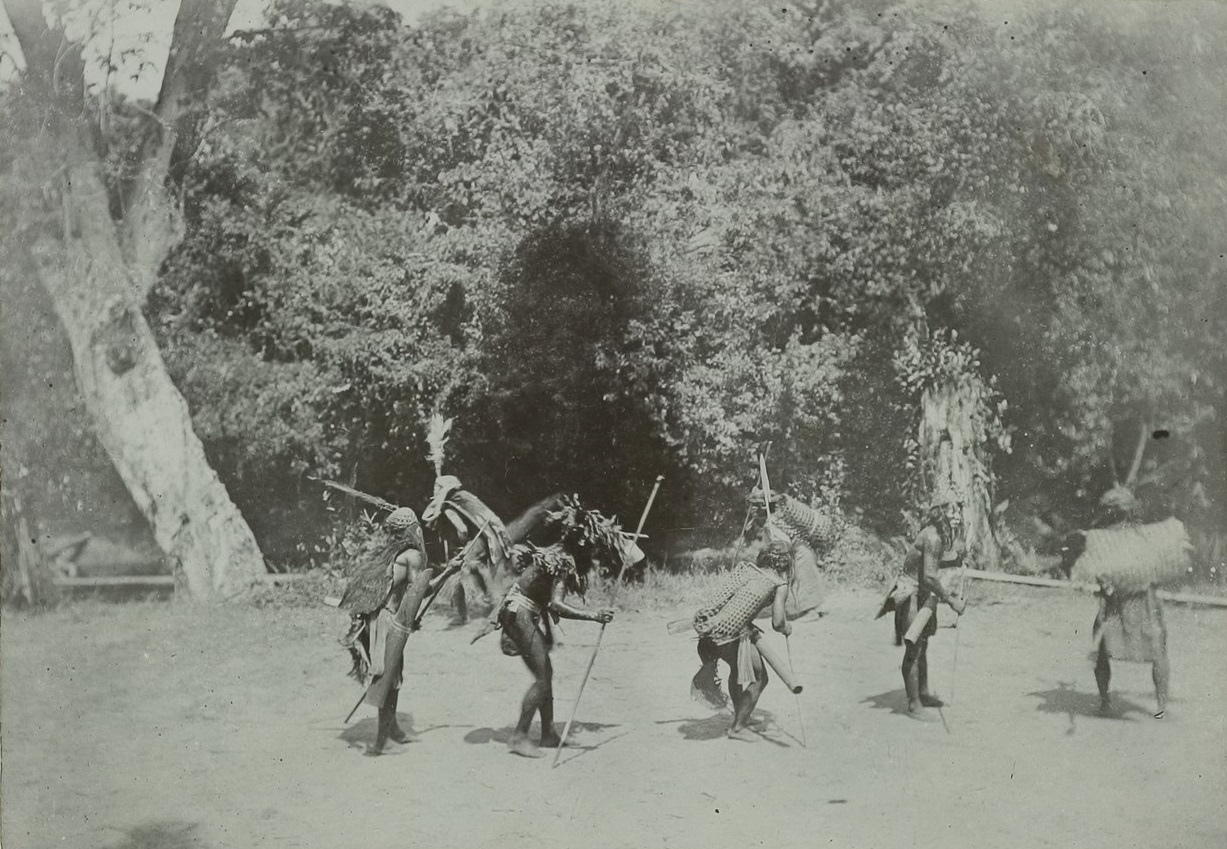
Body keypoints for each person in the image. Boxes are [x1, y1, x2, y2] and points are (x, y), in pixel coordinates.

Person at [488, 543, 614, 758]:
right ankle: (519, 736)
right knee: (542, 678)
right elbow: (556, 604)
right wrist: (594, 616)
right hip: (520, 614)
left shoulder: (554, 554)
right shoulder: (563, 563)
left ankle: (548, 734)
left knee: (545, 674)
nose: (595, 557)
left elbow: (542, 598)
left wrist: (547, 634)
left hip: (520, 611)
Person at [338, 507, 445, 756]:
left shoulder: (393, 552)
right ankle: (380, 742)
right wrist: (448, 573)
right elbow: (422, 589)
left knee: (395, 674)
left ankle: (393, 729)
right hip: (388, 621)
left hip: (382, 617)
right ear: (413, 530)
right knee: (389, 678)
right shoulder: (412, 555)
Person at [1066, 487, 1170, 719]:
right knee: (1155, 650)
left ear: (1113, 513)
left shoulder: (1110, 539)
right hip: (1137, 602)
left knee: (1110, 649)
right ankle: (1159, 706)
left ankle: (1107, 702)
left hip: (1133, 602)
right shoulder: (1137, 536)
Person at [690, 541, 794, 741]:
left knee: (738, 674)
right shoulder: (779, 584)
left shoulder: (747, 569)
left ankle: (741, 714)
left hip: (709, 632)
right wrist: (787, 628)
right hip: (729, 636)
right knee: (760, 678)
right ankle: (737, 727)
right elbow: (778, 622)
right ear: (786, 563)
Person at [876, 501, 967, 714]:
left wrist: (955, 561)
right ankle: (914, 702)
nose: (957, 516)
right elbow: (928, 575)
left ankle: (922, 693)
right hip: (911, 592)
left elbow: (931, 564)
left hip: (923, 592)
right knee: (914, 648)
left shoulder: (939, 535)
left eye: (958, 511)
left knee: (922, 645)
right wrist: (952, 601)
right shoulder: (933, 537)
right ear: (940, 513)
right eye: (951, 511)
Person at [421, 474, 511, 627]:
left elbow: (462, 529)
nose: (434, 491)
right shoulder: (463, 496)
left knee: (465, 567)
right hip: (487, 536)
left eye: (436, 488)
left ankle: (493, 605)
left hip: (479, 539)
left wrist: (463, 544)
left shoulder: (450, 505)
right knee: (458, 573)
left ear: (443, 490)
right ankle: (468, 613)